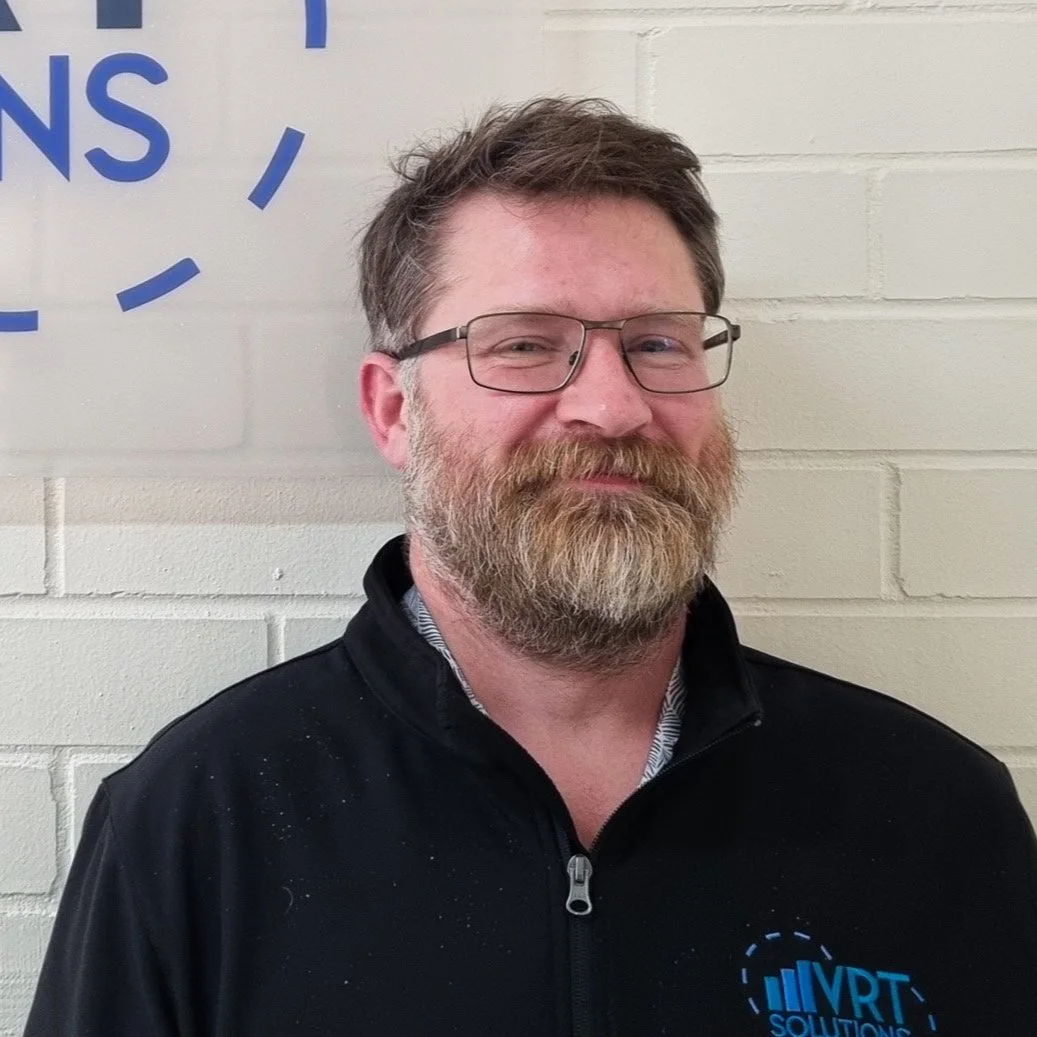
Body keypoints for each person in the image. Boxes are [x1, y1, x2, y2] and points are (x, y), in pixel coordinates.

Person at [24, 98, 1037, 1036]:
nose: (613, 406)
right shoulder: (198, 823)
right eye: (522, 345)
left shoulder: (933, 813)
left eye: (657, 343)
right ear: (392, 410)